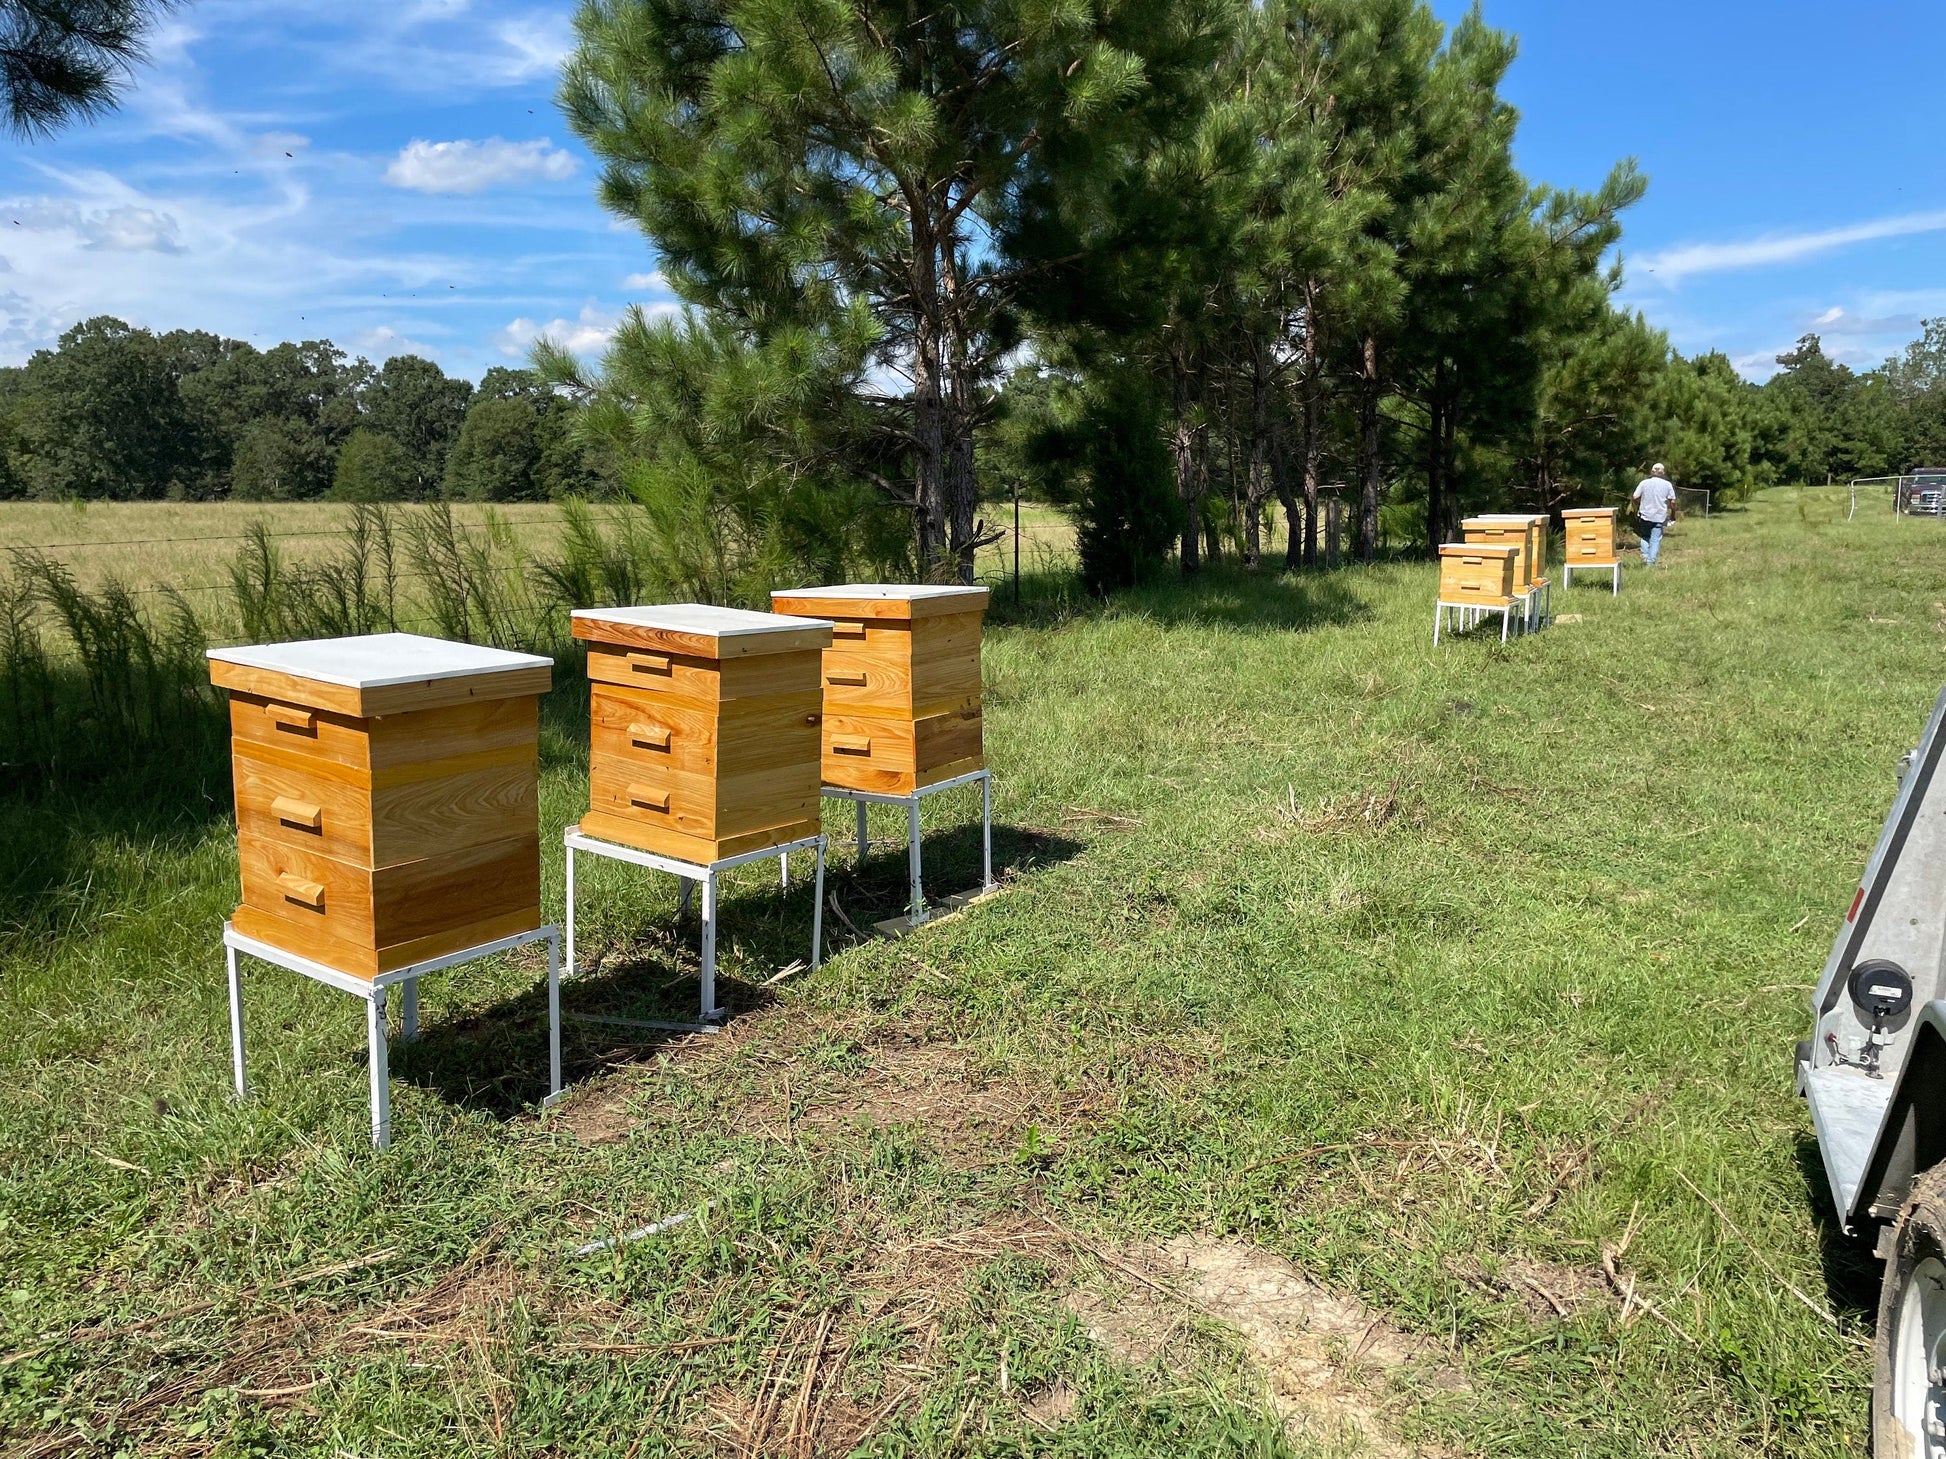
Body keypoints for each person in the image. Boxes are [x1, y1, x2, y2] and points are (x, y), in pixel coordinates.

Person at [1631, 463, 1678, 566]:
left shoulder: (1644, 483)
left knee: (1645, 537)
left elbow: (1635, 497)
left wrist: (1640, 503)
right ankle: (1650, 563)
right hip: (1659, 517)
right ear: (1663, 473)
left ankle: (1645, 556)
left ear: (1652, 472)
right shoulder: (1667, 485)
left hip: (1645, 515)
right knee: (1655, 540)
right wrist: (1673, 514)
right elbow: (1673, 502)